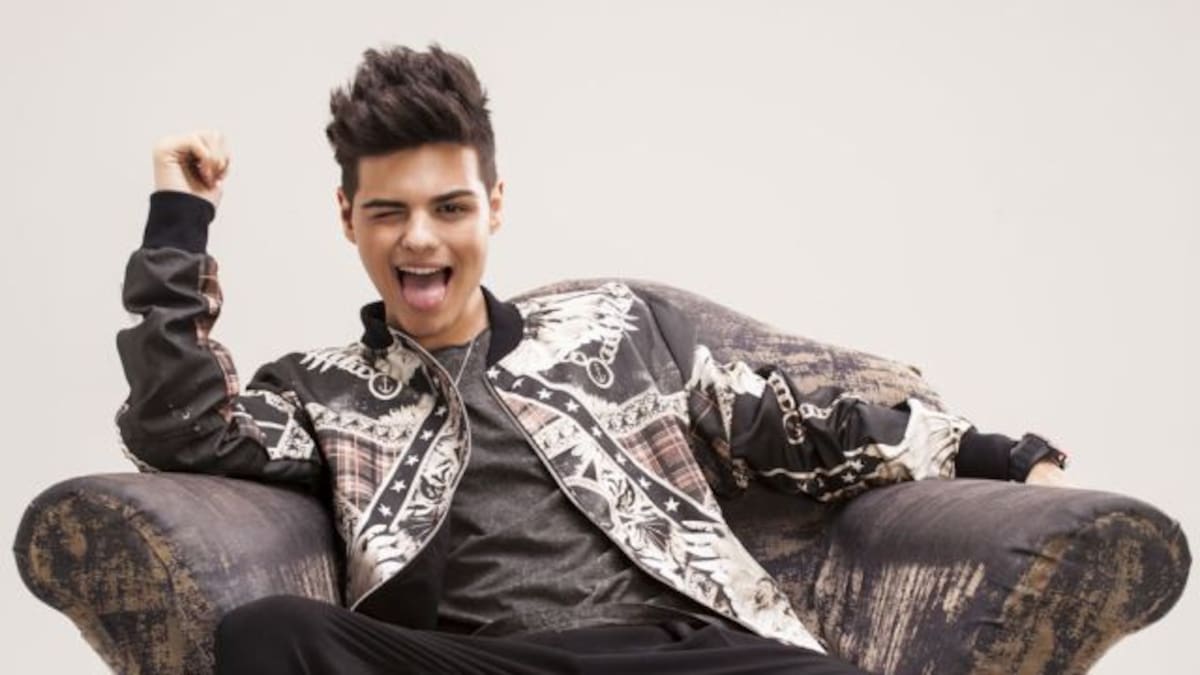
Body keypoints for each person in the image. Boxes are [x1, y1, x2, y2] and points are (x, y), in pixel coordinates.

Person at [115, 43, 1070, 674]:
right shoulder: (324, 391)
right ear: (347, 218)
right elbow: (180, 427)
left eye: (450, 207)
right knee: (268, 636)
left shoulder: (613, 329)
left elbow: (793, 428)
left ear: (494, 206)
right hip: (481, 661)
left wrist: (996, 452)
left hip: (666, 651)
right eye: (389, 211)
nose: (421, 239)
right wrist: (180, 215)